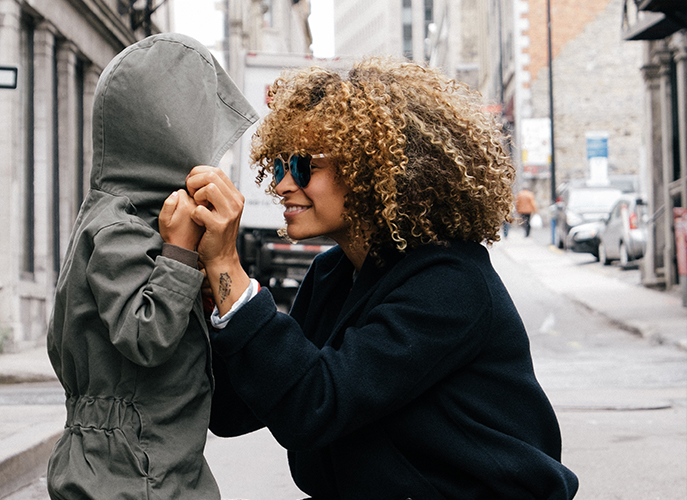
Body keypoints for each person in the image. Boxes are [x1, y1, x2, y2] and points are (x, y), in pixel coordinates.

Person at [176, 58, 579, 499]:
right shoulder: (333, 274)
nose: (284, 185)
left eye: (304, 166)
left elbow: (314, 405)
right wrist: (212, 301)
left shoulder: (450, 284)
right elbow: (235, 411)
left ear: (371, 170)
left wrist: (230, 270)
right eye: (278, 167)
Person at [45, 33, 257, 499]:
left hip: (148, 462)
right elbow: (146, 335)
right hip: (132, 472)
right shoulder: (119, 227)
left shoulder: (138, 218)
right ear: (168, 136)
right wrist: (179, 255)